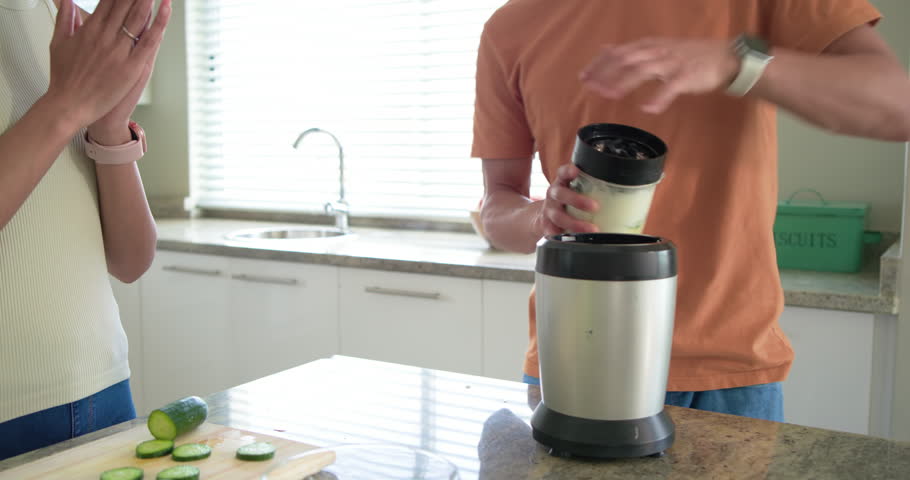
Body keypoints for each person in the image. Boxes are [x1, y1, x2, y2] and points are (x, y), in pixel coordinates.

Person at [472, 0, 910, 422]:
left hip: (730, 375)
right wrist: (540, 219)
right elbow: (497, 204)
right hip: (574, 361)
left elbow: (896, 105)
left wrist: (738, 63)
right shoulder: (509, 27)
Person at [0, 0, 171, 460]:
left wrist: (111, 126)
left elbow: (131, 260)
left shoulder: (69, 22)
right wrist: (65, 104)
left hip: (104, 387)